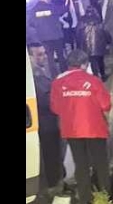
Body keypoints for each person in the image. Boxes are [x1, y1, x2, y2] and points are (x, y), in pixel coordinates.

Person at [50, 50, 112, 204]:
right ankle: (106, 197)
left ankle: (85, 199)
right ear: (85, 64)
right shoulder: (93, 81)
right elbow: (106, 104)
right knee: (100, 163)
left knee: (81, 164)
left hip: (72, 130)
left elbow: (55, 108)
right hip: (95, 128)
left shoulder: (58, 83)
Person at [29, 43, 66, 194]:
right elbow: (45, 101)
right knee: (50, 154)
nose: (43, 57)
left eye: (44, 53)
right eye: (39, 55)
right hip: (45, 123)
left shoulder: (43, 70)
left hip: (50, 121)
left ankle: (58, 179)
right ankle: (54, 186)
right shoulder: (33, 78)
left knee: (55, 152)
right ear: (29, 57)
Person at [27, 0, 68, 77]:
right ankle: (65, 74)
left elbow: (31, 22)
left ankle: (54, 76)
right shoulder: (52, 7)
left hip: (44, 37)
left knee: (50, 59)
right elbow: (62, 10)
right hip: (56, 36)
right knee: (61, 56)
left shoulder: (34, 9)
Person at [77, 7, 112, 80]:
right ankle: (103, 75)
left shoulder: (82, 22)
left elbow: (78, 35)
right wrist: (109, 42)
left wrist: (79, 46)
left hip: (87, 47)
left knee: (93, 63)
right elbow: (106, 32)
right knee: (100, 61)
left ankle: (95, 77)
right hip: (99, 46)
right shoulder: (99, 21)